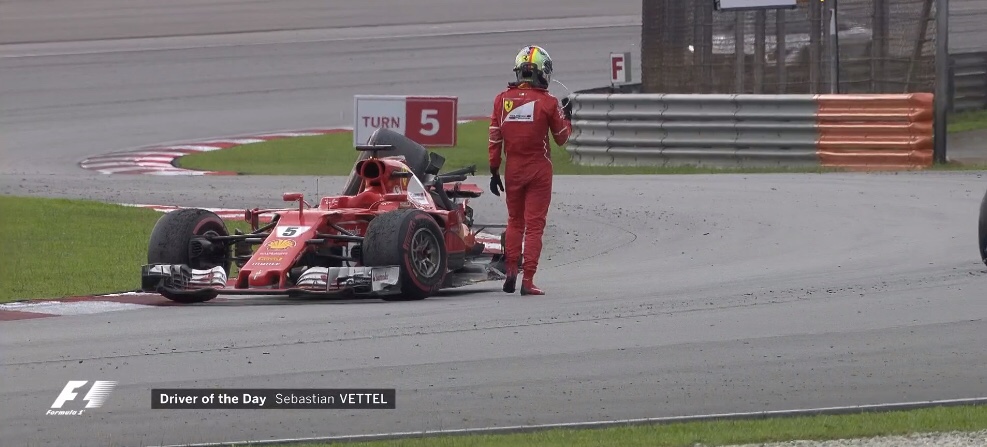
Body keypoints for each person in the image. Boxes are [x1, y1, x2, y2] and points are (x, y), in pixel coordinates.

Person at [487, 45, 573, 296]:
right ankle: (528, 280)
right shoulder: (548, 102)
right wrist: (567, 117)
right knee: (534, 226)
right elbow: (561, 138)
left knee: (515, 221)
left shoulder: (501, 100)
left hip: (512, 170)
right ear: (539, 73)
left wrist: (493, 171)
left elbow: (494, 138)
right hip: (539, 170)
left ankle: (511, 270)